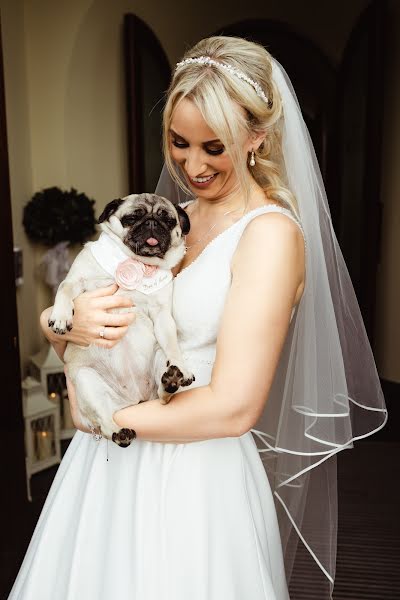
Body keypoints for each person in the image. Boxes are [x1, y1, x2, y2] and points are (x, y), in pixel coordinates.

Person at [9, 36, 386, 600]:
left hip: (189, 474)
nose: (192, 165)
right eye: (179, 143)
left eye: (215, 146)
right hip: (106, 463)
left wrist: (102, 419)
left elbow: (235, 407)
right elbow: (91, 341)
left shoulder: (270, 236)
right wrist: (58, 322)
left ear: (258, 136)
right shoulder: (168, 222)